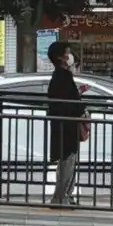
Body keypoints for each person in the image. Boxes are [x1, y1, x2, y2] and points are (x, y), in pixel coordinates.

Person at [46, 40, 85, 207]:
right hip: (66, 126)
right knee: (67, 163)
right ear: (61, 57)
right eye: (68, 53)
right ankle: (61, 198)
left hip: (64, 126)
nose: (70, 57)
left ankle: (63, 196)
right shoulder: (62, 77)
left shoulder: (61, 76)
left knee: (67, 162)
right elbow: (69, 102)